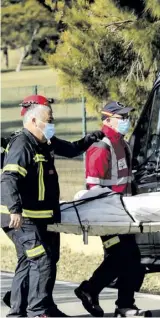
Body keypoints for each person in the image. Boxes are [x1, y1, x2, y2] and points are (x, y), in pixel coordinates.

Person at [1, 99, 104, 317]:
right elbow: (8, 177)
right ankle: (38, 310)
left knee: (32, 260)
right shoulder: (23, 144)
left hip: (39, 216)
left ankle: (19, 311)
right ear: (34, 120)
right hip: (20, 217)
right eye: (49, 120)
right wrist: (15, 208)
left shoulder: (45, 142)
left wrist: (89, 140)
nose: (52, 123)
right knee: (41, 258)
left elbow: (72, 149)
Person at [74, 101, 150, 317]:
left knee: (131, 259)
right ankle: (92, 290)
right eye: (121, 118)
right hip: (105, 215)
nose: (126, 121)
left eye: (127, 117)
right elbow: (93, 187)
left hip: (124, 213)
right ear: (107, 120)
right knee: (121, 256)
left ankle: (121, 304)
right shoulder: (101, 146)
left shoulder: (122, 144)